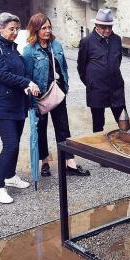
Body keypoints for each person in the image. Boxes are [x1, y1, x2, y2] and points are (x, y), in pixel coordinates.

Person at [22, 13, 90, 177]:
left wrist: (65, 86)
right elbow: (27, 76)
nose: (47, 31)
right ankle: (45, 161)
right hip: (40, 96)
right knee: (41, 129)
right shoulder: (29, 51)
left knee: (63, 127)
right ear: (35, 30)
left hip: (58, 92)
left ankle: (69, 162)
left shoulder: (56, 45)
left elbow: (64, 67)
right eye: (43, 28)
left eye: (49, 27)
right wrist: (32, 94)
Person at [0, 12, 40, 204]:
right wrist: (27, 82)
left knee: (15, 143)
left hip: (17, 104)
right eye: (11, 29)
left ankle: (10, 176)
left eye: (17, 29)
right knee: (10, 145)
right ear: (0, 28)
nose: (15, 32)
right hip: (2, 105)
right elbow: (2, 74)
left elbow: (19, 71)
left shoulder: (13, 48)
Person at [77, 8, 126, 132]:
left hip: (116, 87)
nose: (107, 30)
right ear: (96, 25)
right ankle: (97, 151)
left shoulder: (117, 40)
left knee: (124, 121)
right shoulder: (87, 42)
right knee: (98, 125)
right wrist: (91, 82)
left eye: (110, 27)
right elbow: (81, 67)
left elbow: (118, 60)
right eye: (104, 27)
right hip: (97, 89)